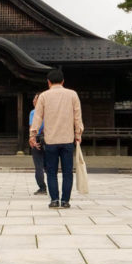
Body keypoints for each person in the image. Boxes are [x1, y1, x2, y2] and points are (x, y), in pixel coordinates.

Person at [29, 68, 83, 209]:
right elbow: (77, 117)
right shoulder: (72, 94)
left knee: (51, 172)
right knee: (67, 172)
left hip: (51, 140)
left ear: (48, 82)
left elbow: (38, 117)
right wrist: (78, 134)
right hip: (67, 139)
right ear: (63, 81)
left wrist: (32, 135)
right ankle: (65, 201)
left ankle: (54, 200)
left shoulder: (44, 96)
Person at [28, 93, 47, 195]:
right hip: (49, 139)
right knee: (48, 165)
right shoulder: (49, 112)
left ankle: (42, 187)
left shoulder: (33, 112)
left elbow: (32, 127)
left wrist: (31, 138)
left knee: (38, 165)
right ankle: (53, 185)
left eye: (35, 99)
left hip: (38, 139)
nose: (33, 100)